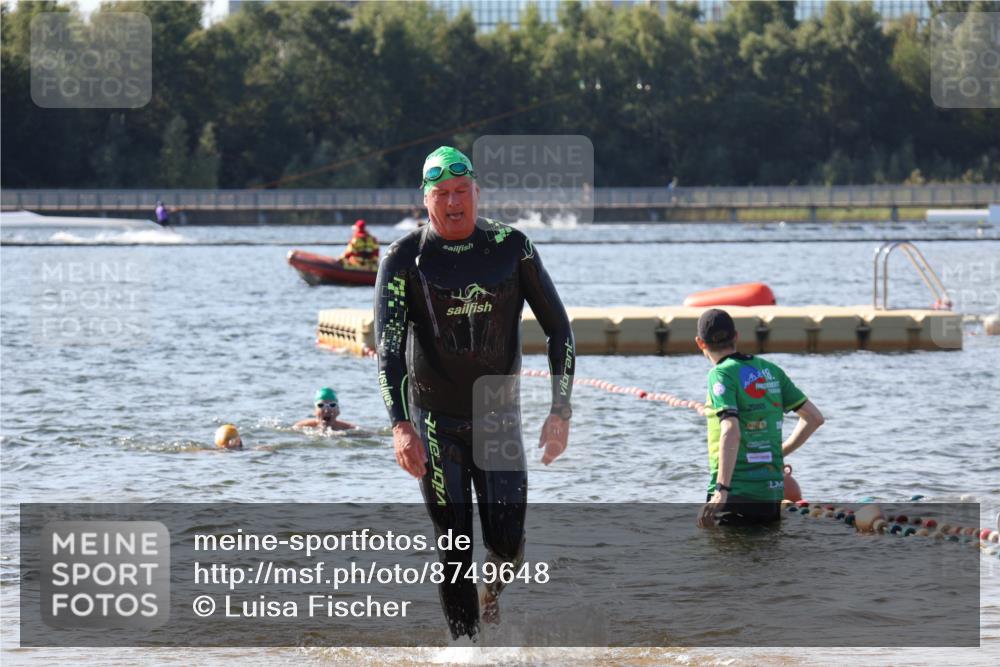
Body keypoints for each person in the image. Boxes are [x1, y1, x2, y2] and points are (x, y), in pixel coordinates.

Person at [374, 146, 575, 639]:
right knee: (454, 544)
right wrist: (401, 427)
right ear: (426, 199)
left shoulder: (512, 247)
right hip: (435, 421)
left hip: (498, 416)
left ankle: (493, 594)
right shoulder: (403, 260)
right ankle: (466, 650)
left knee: (506, 543)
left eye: (461, 192)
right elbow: (389, 350)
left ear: (477, 192)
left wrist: (560, 410)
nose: (453, 203)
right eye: (442, 194)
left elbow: (560, 331)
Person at [695, 308, 824, 528]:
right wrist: (778, 452)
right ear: (736, 336)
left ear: (700, 343)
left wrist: (721, 490)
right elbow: (814, 418)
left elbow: (730, 430)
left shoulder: (721, 374)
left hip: (736, 492)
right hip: (770, 492)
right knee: (765, 557)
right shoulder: (770, 370)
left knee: (721, 558)